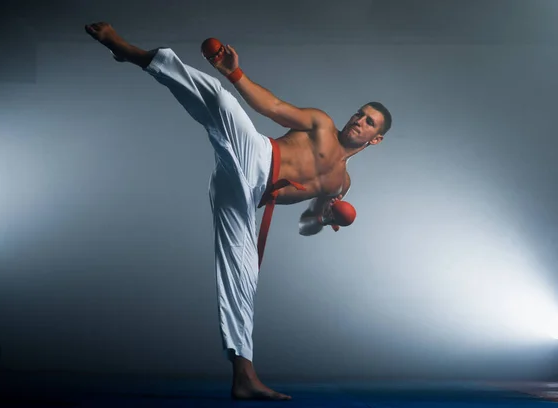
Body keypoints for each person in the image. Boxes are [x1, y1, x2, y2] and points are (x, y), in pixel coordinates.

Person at [84, 22, 392, 401]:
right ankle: (130, 51)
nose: (358, 121)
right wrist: (234, 73)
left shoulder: (341, 185)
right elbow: (272, 106)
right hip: (257, 156)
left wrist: (325, 218)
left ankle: (243, 376)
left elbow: (304, 223)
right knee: (221, 100)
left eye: (368, 122)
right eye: (360, 114)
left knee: (244, 275)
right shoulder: (322, 124)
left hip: (249, 194)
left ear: (375, 139)